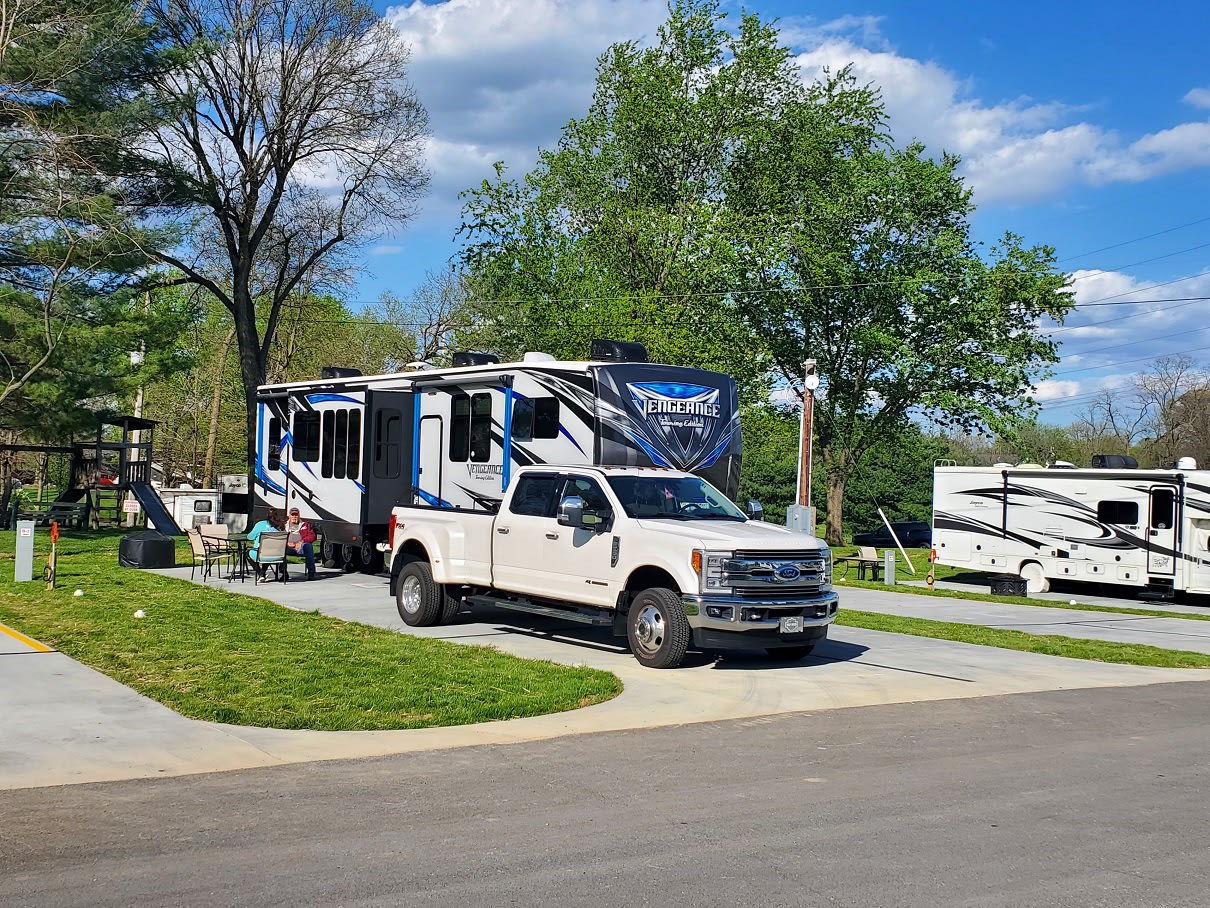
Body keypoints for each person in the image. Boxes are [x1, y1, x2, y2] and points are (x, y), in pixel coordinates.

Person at [247, 508, 285, 581]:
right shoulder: (281, 525)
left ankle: (260, 573)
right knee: (268, 551)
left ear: (267, 515)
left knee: (248, 552)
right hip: (278, 555)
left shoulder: (260, 524)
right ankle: (262, 573)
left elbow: (250, 537)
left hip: (262, 554)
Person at [285, 506, 318, 581]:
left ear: (299, 515)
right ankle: (284, 573)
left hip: (300, 547)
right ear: (289, 516)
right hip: (287, 547)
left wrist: (301, 542)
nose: (294, 517)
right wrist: (286, 543)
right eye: (292, 515)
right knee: (280, 548)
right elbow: (279, 535)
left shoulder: (305, 525)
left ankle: (311, 573)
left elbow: (312, 536)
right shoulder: (284, 525)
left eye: (296, 515)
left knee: (308, 546)